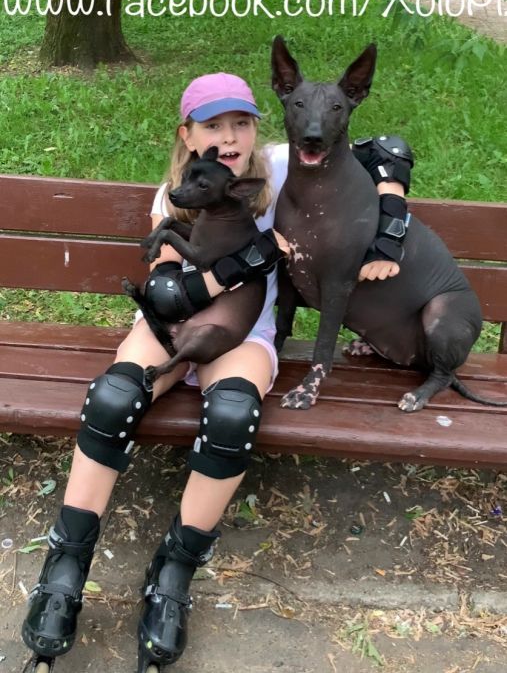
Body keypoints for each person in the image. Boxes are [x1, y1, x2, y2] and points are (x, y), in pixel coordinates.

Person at [21, 72, 413, 669]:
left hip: (244, 333)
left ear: (257, 128)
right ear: (189, 134)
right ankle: (66, 564)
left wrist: (391, 225)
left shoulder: (283, 164)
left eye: (241, 123)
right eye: (213, 125)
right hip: (171, 325)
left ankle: (174, 572)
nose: (229, 137)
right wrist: (250, 259)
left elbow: (388, 149)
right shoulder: (176, 193)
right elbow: (170, 294)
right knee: (114, 396)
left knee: (232, 414)